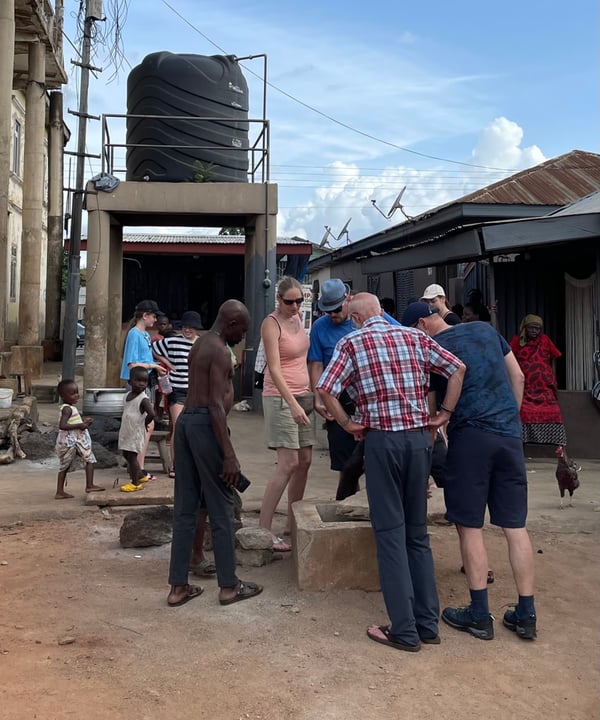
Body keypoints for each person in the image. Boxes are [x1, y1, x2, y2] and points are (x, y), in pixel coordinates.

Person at [317, 293, 466, 652]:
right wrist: (444, 412)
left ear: (355, 318)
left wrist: (348, 423)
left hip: (382, 442)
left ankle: (403, 630)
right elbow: (457, 368)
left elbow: (325, 388)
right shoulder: (415, 336)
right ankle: (427, 624)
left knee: (389, 536)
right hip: (419, 443)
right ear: (382, 311)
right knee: (417, 536)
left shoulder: (352, 342)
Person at [403, 301, 538, 641]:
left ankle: (479, 614)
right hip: (508, 437)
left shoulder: (434, 349)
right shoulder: (486, 330)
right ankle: (526, 614)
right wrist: (509, 419)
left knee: (470, 524)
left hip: (470, 439)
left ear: (422, 324)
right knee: (515, 525)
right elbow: (518, 376)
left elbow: (434, 410)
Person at [167, 300, 262, 607]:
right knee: (221, 509)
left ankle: (178, 587)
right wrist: (229, 454)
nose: (242, 337)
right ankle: (230, 586)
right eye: (242, 331)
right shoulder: (220, 351)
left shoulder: (200, 344)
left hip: (187, 425)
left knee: (185, 507)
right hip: (206, 426)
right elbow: (215, 405)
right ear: (231, 324)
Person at [309, 278, 400, 500]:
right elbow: (316, 364)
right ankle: (348, 506)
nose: (333, 315)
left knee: (375, 461)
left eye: (337, 309)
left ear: (348, 300)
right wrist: (318, 398)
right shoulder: (320, 328)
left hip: (372, 402)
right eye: (327, 311)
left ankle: (377, 504)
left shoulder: (371, 316)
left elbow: (400, 339)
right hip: (340, 403)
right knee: (346, 465)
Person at [153, 309, 215, 576]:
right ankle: (176, 464)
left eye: (193, 327)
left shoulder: (200, 344)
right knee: (178, 428)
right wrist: (166, 363)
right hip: (177, 390)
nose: (189, 330)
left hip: (195, 392)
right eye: (187, 327)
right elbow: (154, 346)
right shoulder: (174, 340)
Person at [258, 276, 313, 552]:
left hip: (303, 393)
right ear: (278, 299)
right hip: (281, 397)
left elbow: (305, 358)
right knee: (288, 462)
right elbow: (274, 368)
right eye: (289, 301)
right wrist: (292, 403)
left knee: (305, 460)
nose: (294, 306)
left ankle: (292, 522)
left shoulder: (298, 320)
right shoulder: (271, 323)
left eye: (299, 301)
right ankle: (264, 529)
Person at [120, 299, 167, 480]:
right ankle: (137, 467)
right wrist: (153, 366)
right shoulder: (134, 334)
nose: (155, 320)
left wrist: (155, 366)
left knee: (147, 424)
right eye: (153, 316)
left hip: (147, 381)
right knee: (144, 424)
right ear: (145, 316)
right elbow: (132, 364)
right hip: (138, 384)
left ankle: (138, 466)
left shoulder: (145, 335)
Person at [509, 314, 567, 447]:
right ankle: (523, 441)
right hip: (526, 386)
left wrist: (552, 378)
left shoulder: (545, 340)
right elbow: (509, 357)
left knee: (554, 412)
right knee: (523, 411)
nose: (534, 331)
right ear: (525, 328)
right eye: (531, 328)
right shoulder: (517, 341)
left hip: (544, 387)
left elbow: (554, 358)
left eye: (537, 328)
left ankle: (556, 444)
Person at [54, 379, 104, 499]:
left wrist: (84, 423)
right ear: (63, 396)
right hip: (71, 442)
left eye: (77, 392)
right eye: (72, 393)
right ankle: (88, 485)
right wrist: (80, 425)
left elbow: (74, 423)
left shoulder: (69, 408)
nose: (76, 395)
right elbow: (63, 425)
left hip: (73, 441)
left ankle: (62, 491)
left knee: (72, 464)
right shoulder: (67, 409)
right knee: (86, 461)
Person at [118, 367, 156, 492]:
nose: (141, 384)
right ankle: (140, 475)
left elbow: (151, 414)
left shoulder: (143, 399)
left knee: (132, 456)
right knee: (126, 454)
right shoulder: (128, 395)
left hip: (136, 432)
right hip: (128, 431)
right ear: (130, 382)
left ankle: (135, 483)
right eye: (138, 380)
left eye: (144, 381)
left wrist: (144, 423)